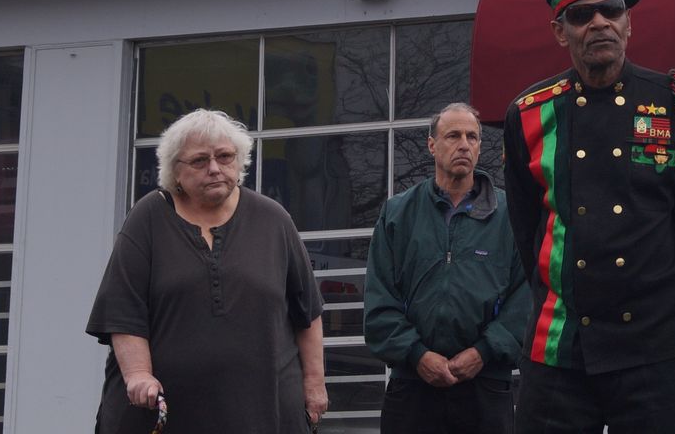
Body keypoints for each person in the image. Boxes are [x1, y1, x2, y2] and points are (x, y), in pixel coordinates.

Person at [502, 0, 675, 433]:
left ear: (629, 23)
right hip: (560, 345)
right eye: (581, 15)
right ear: (561, 33)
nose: (598, 23)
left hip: (655, 345)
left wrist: (664, 296)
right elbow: (526, 230)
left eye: (611, 11)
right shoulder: (529, 114)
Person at [87, 109, 327, 433]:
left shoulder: (273, 220)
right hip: (166, 416)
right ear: (175, 169)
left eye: (225, 157)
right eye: (199, 161)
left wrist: (314, 385)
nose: (214, 169)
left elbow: (307, 313)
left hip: (265, 412)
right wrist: (139, 374)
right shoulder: (148, 219)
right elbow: (122, 310)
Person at [366, 102, 529, 434]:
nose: (464, 145)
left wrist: (483, 351)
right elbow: (379, 298)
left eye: (472, 137)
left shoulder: (510, 215)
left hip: (487, 387)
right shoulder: (398, 213)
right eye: (453, 135)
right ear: (431, 145)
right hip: (412, 387)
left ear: (481, 147)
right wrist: (417, 354)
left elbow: (526, 296)